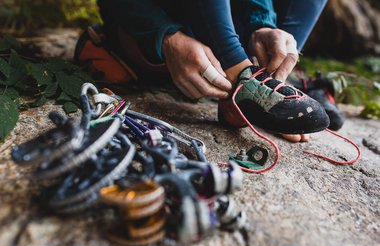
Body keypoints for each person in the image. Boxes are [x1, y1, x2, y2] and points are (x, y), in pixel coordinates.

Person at [93, 0, 331, 142]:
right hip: (152, 32)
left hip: (223, 26)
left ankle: (267, 78)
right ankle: (240, 76)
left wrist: (262, 23)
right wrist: (165, 36)